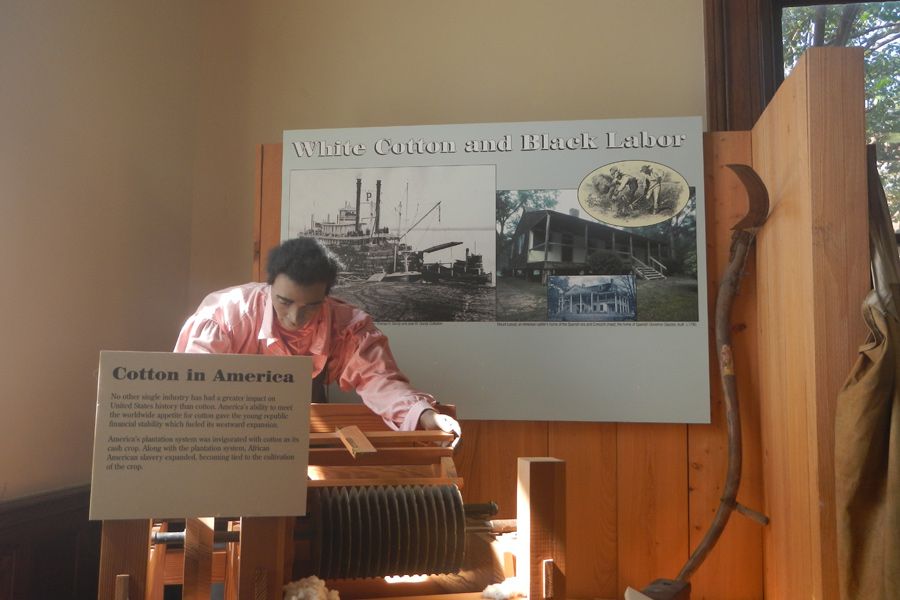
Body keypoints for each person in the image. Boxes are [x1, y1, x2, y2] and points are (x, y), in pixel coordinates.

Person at [175, 237, 460, 444]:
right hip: (226, 435)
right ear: (269, 286)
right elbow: (195, 393)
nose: (295, 317)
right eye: (284, 302)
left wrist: (424, 414)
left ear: (326, 296)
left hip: (305, 439)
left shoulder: (347, 325)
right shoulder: (225, 315)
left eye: (311, 305)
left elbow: (379, 380)